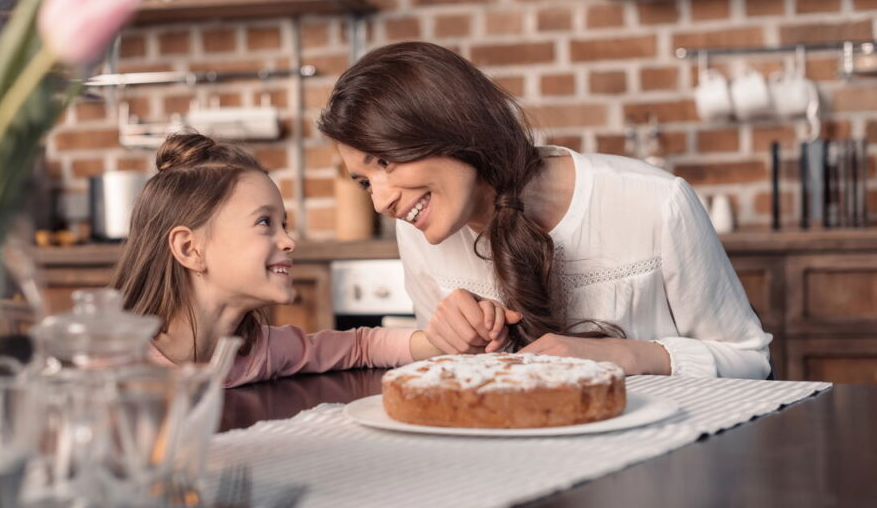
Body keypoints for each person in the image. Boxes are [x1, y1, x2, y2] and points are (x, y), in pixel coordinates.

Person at [318, 41, 771, 380]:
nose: (380, 201)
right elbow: (456, 385)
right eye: (364, 181)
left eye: (385, 161)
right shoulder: (418, 230)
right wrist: (454, 346)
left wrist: (626, 356)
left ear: (447, 125)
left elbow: (751, 360)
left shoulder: (655, 202)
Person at [110, 133, 512, 388]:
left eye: (283, 223)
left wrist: (450, 340)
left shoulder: (255, 352)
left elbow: (361, 346)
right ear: (188, 249)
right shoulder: (113, 363)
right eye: (264, 223)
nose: (288, 240)